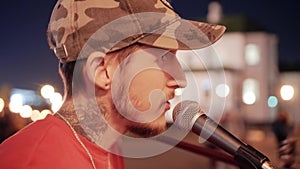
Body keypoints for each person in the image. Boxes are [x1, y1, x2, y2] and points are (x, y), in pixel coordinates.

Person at [0, 0, 225, 168]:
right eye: (163, 57)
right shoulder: (35, 162)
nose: (181, 79)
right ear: (103, 71)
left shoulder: (109, 148)